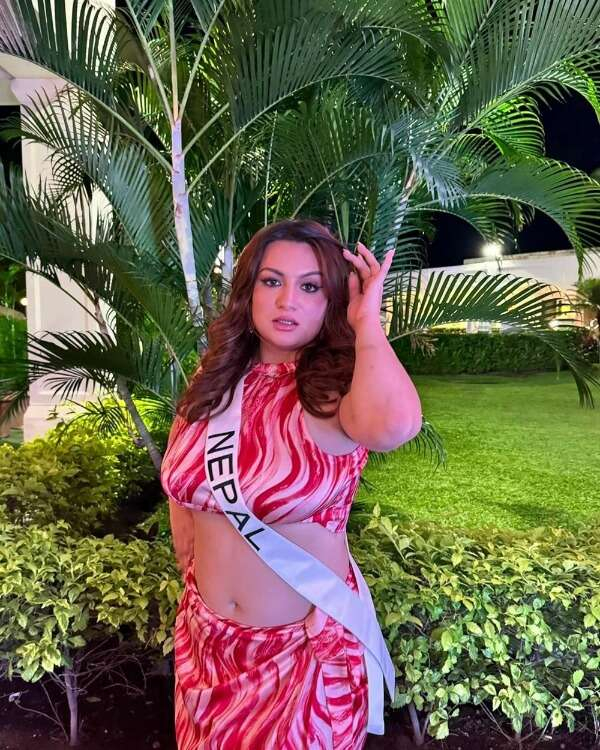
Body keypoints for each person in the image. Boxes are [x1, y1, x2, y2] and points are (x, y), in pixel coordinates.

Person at [160, 219, 422, 749]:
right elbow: (181, 484)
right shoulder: (212, 383)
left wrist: (367, 325)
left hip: (299, 660)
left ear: (332, 301)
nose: (287, 301)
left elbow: (395, 426)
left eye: (310, 287)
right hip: (206, 651)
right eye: (272, 281)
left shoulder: (334, 391)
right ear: (249, 290)